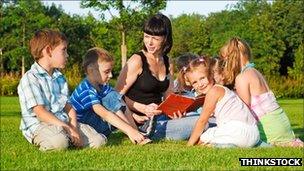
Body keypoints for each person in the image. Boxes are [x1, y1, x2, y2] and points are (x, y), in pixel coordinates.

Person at [17, 29, 106, 151]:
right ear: (48, 51)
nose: (67, 55)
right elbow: (40, 113)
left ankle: (68, 138)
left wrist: (73, 128)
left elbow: (69, 107)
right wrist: (66, 128)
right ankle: (63, 139)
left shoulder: (60, 78)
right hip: (40, 125)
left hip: (63, 123)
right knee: (59, 143)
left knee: (98, 141)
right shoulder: (30, 78)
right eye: (64, 50)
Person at [115, 13, 199, 140]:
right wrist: (141, 110)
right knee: (201, 121)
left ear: (165, 38)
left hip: (160, 115)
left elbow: (168, 97)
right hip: (142, 123)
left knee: (201, 114)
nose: (149, 42)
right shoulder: (137, 60)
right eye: (146, 36)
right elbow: (115, 97)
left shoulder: (167, 61)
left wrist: (176, 111)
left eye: (155, 38)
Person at [219, 37, 303, 147]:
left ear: (233, 58)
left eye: (225, 60)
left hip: (270, 130)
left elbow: (243, 111)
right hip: (282, 125)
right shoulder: (255, 72)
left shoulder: (242, 77)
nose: (224, 64)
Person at [70, 47, 150, 145]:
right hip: (84, 127)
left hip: (98, 124)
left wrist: (134, 116)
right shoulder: (85, 89)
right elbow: (104, 113)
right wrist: (129, 129)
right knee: (112, 98)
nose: (111, 75)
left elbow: (117, 104)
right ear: (91, 71)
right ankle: (132, 132)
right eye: (107, 71)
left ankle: (135, 131)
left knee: (113, 95)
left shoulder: (102, 86)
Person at [180, 57, 260, 147]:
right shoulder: (222, 89)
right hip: (254, 133)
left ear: (210, 75)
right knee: (212, 132)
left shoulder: (213, 92)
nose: (200, 84)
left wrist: (189, 145)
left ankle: (223, 146)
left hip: (239, 132)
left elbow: (202, 121)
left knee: (202, 138)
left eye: (202, 78)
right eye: (194, 82)